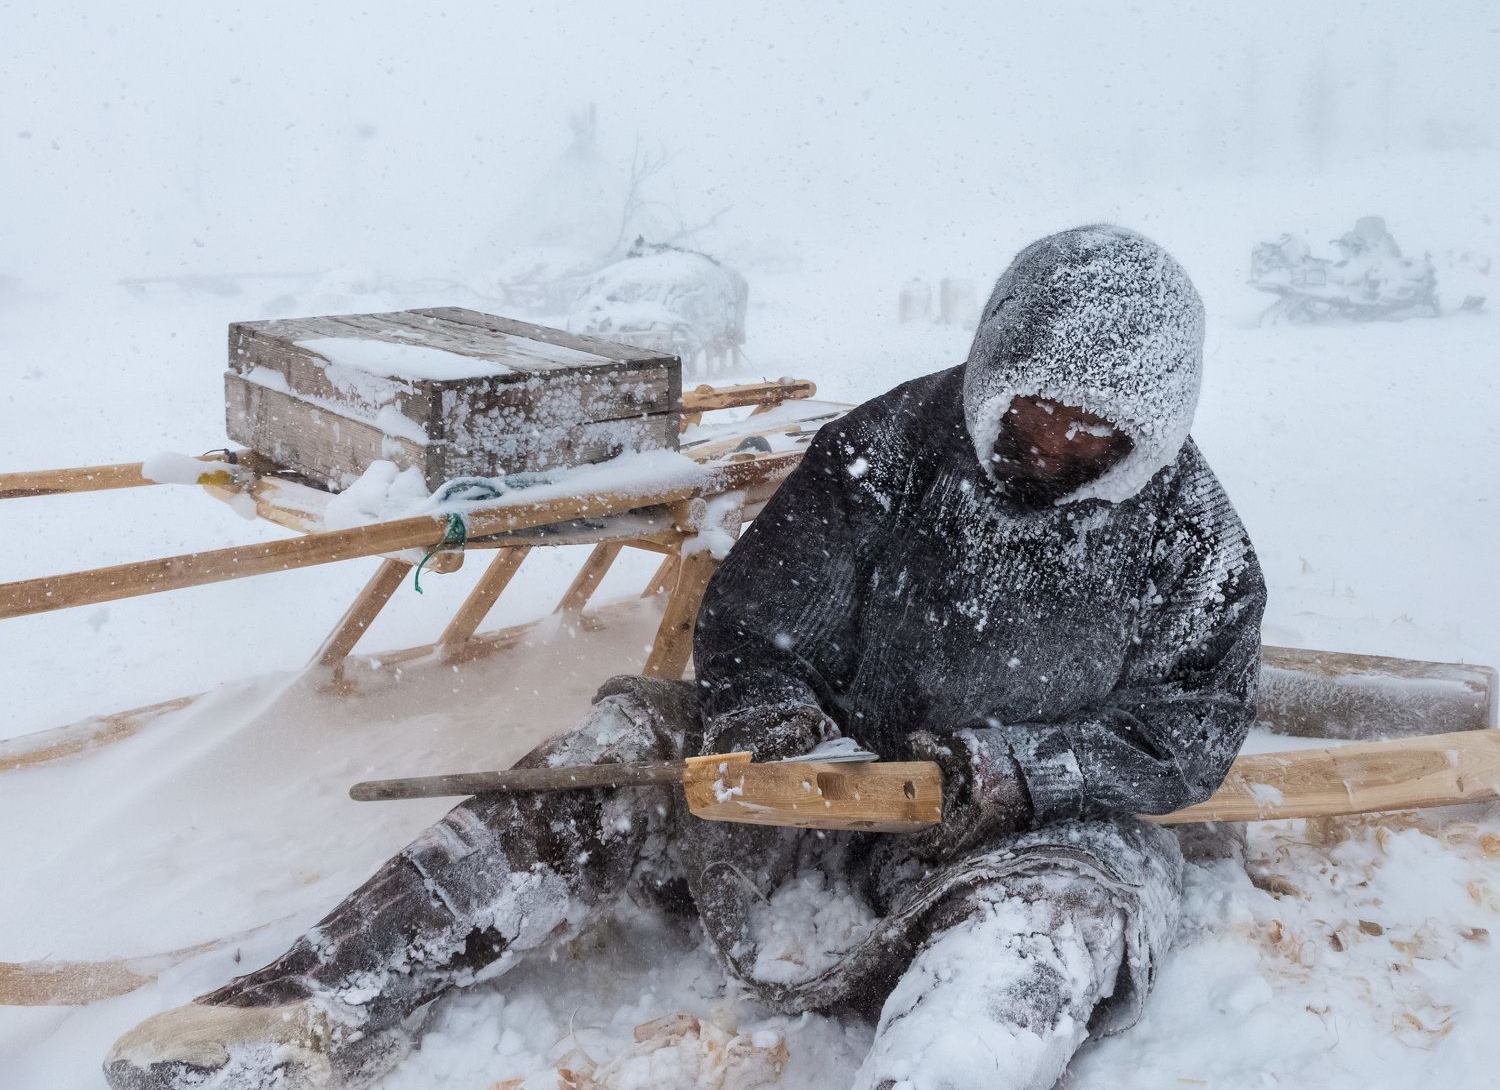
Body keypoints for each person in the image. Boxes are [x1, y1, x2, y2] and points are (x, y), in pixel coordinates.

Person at [105, 225, 1266, 1090]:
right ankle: (300, 1003)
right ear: (994, 368)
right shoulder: (886, 447)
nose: (1055, 444)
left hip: (1015, 836)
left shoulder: (1195, 543)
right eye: (1035, 410)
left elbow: (1188, 735)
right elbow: (757, 619)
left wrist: (1016, 772)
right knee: (609, 754)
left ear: (1152, 428)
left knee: (1043, 930)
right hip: (810, 785)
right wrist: (772, 726)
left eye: (1094, 430)